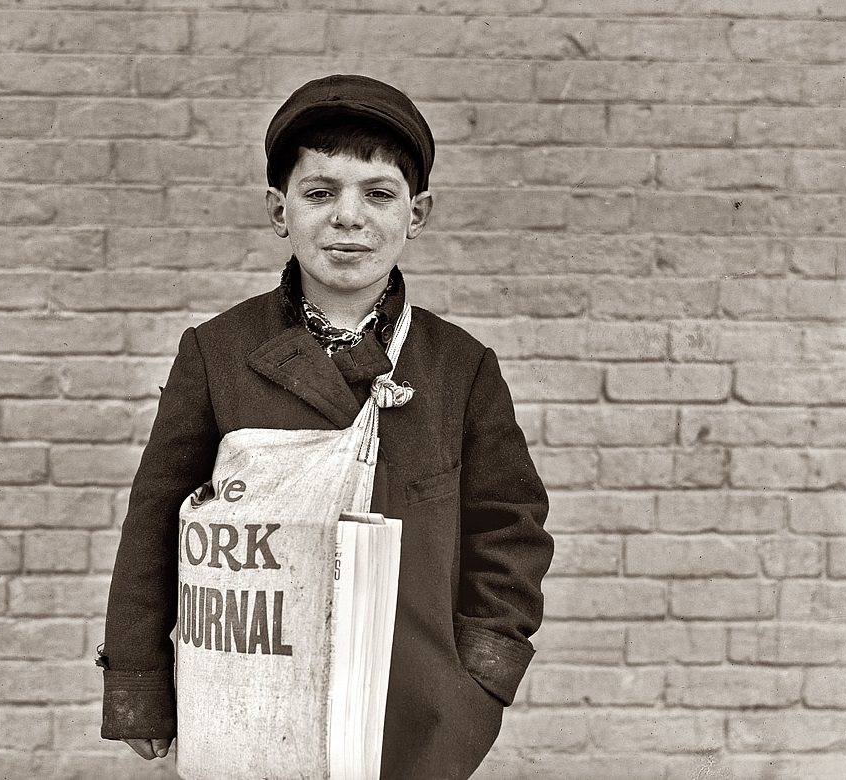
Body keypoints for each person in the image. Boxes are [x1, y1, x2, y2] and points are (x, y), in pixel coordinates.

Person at [98, 74, 553, 779]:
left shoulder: (458, 367)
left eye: (378, 193)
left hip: (410, 705)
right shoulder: (217, 352)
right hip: (252, 695)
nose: (348, 217)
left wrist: (477, 682)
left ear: (417, 213)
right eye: (319, 193)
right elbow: (156, 520)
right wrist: (139, 682)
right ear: (279, 211)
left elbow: (508, 529)